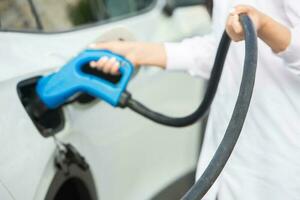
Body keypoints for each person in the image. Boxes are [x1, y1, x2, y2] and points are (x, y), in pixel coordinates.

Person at [88, 1, 300, 199]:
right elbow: (224, 51)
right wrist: (138, 52)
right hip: (225, 166)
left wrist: (264, 27)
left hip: (277, 165)